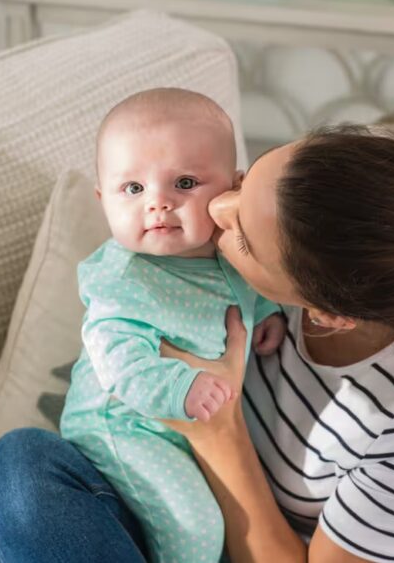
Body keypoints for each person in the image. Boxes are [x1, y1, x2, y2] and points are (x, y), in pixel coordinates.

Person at [0, 124, 394, 563]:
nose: (217, 211)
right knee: (19, 470)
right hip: (181, 488)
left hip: (268, 540)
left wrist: (219, 434)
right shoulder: (332, 205)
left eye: (241, 236)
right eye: (245, 181)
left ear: (327, 312)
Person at [59, 88, 287, 563]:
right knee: (197, 528)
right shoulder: (121, 280)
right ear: (104, 201)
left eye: (184, 183)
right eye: (134, 189)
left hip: (189, 426)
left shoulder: (229, 254)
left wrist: (267, 314)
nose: (158, 204)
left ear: (232, 188)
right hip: (125, 426)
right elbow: (119, 366)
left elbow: (246, 290)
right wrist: (184, 387)